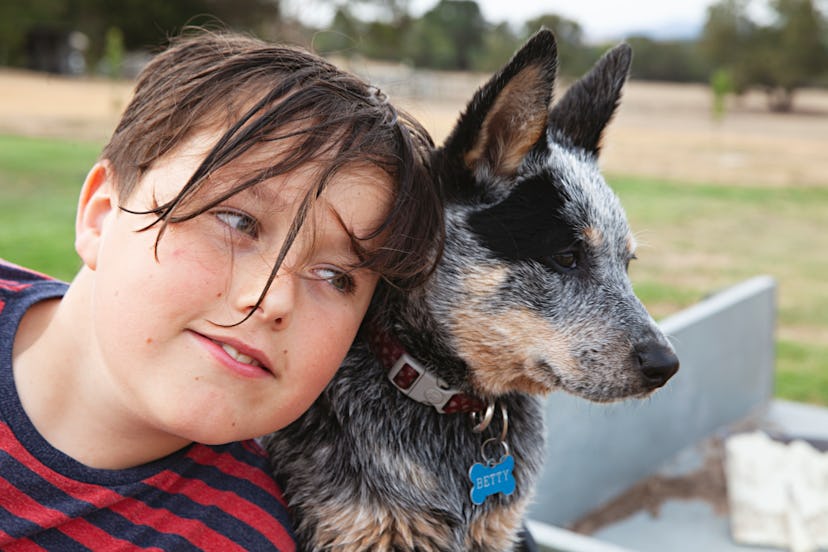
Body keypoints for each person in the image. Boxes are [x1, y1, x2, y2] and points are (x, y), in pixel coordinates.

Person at [0, 30, 441, 550]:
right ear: (101, 215)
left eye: (335, 276)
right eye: (237, 220)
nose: (273, 300)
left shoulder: (241, 539)